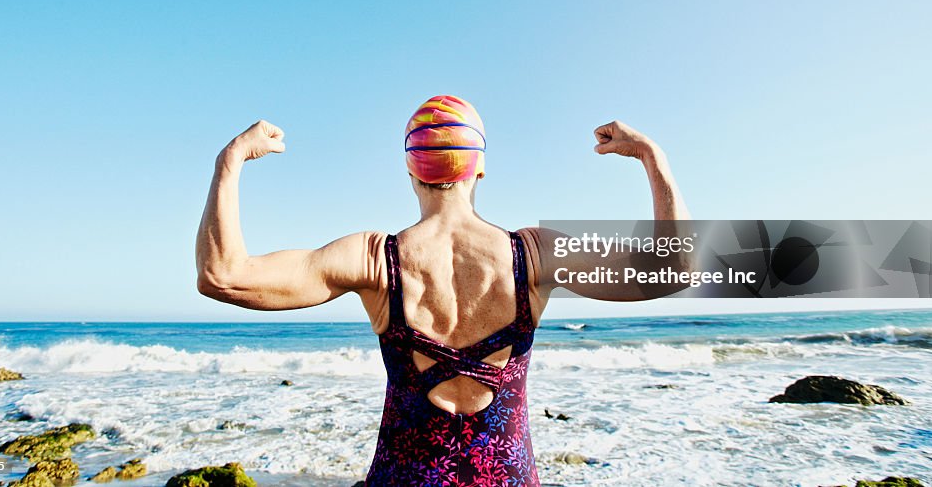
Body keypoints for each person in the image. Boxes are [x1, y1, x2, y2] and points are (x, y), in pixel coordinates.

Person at [196, 95, 690, 486]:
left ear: (411, 169)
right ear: (479, 168)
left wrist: (230, 160)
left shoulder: (374, 259)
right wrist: (651, 155)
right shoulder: (534, 254)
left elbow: (222, 275)